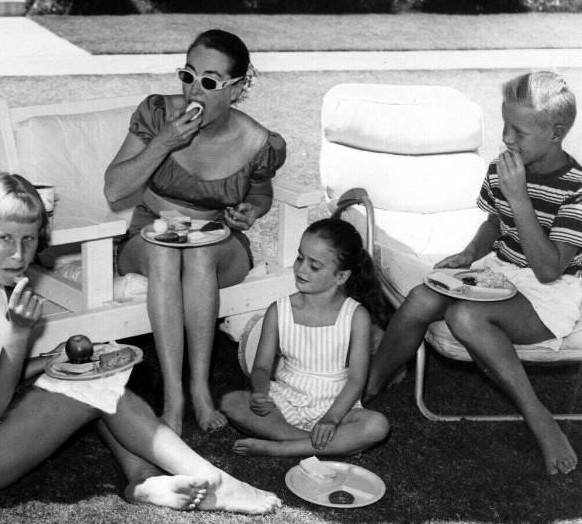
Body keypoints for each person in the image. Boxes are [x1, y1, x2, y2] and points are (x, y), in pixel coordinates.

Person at [0, 173, 281, 514]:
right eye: (5, 238)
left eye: (30, 239)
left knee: (91, 371)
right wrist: (21, 335)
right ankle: (214, 481)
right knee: (90, 384)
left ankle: (142, 479)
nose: (19, 255)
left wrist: (48, 359)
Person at [365, 71, 581, 476]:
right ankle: (369, 386)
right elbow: (495, 226)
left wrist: (519, 198)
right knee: (421, 298)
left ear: (555, 133)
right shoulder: (504, 167)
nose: (506, 138)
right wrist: (467, 255)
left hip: (546, 291)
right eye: (504, 125)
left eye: (518, 130)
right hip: (498, 270)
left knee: (463, 316)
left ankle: (540, 417)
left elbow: (549, 268)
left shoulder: (576, 188)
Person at [104, 29, 286, 434]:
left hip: (219, 241)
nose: (193, 91)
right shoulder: (156, 114)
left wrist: (249, 212)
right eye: (187, 75)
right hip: (148, 234)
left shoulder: (259, 141)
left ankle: (201, 390)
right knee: (166, 249)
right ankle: (174, 398)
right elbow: (114, 188)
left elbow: (260, 196)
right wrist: (163, 143)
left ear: (236, 89)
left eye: (209, 82)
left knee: (199, 252)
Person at [219, 219, 390, 457]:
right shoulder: (278, 310)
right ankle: (330, 445)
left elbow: (357, 380)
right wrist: (259, 391)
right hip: (286, 399)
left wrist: (331, 419)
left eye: (314, 265)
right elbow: (261, 366)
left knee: (377, 425)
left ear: (341, 276)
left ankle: (283, 447)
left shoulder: (356, 316)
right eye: (300, 257)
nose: (300, 268)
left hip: (336, 405)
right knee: (233, 402)